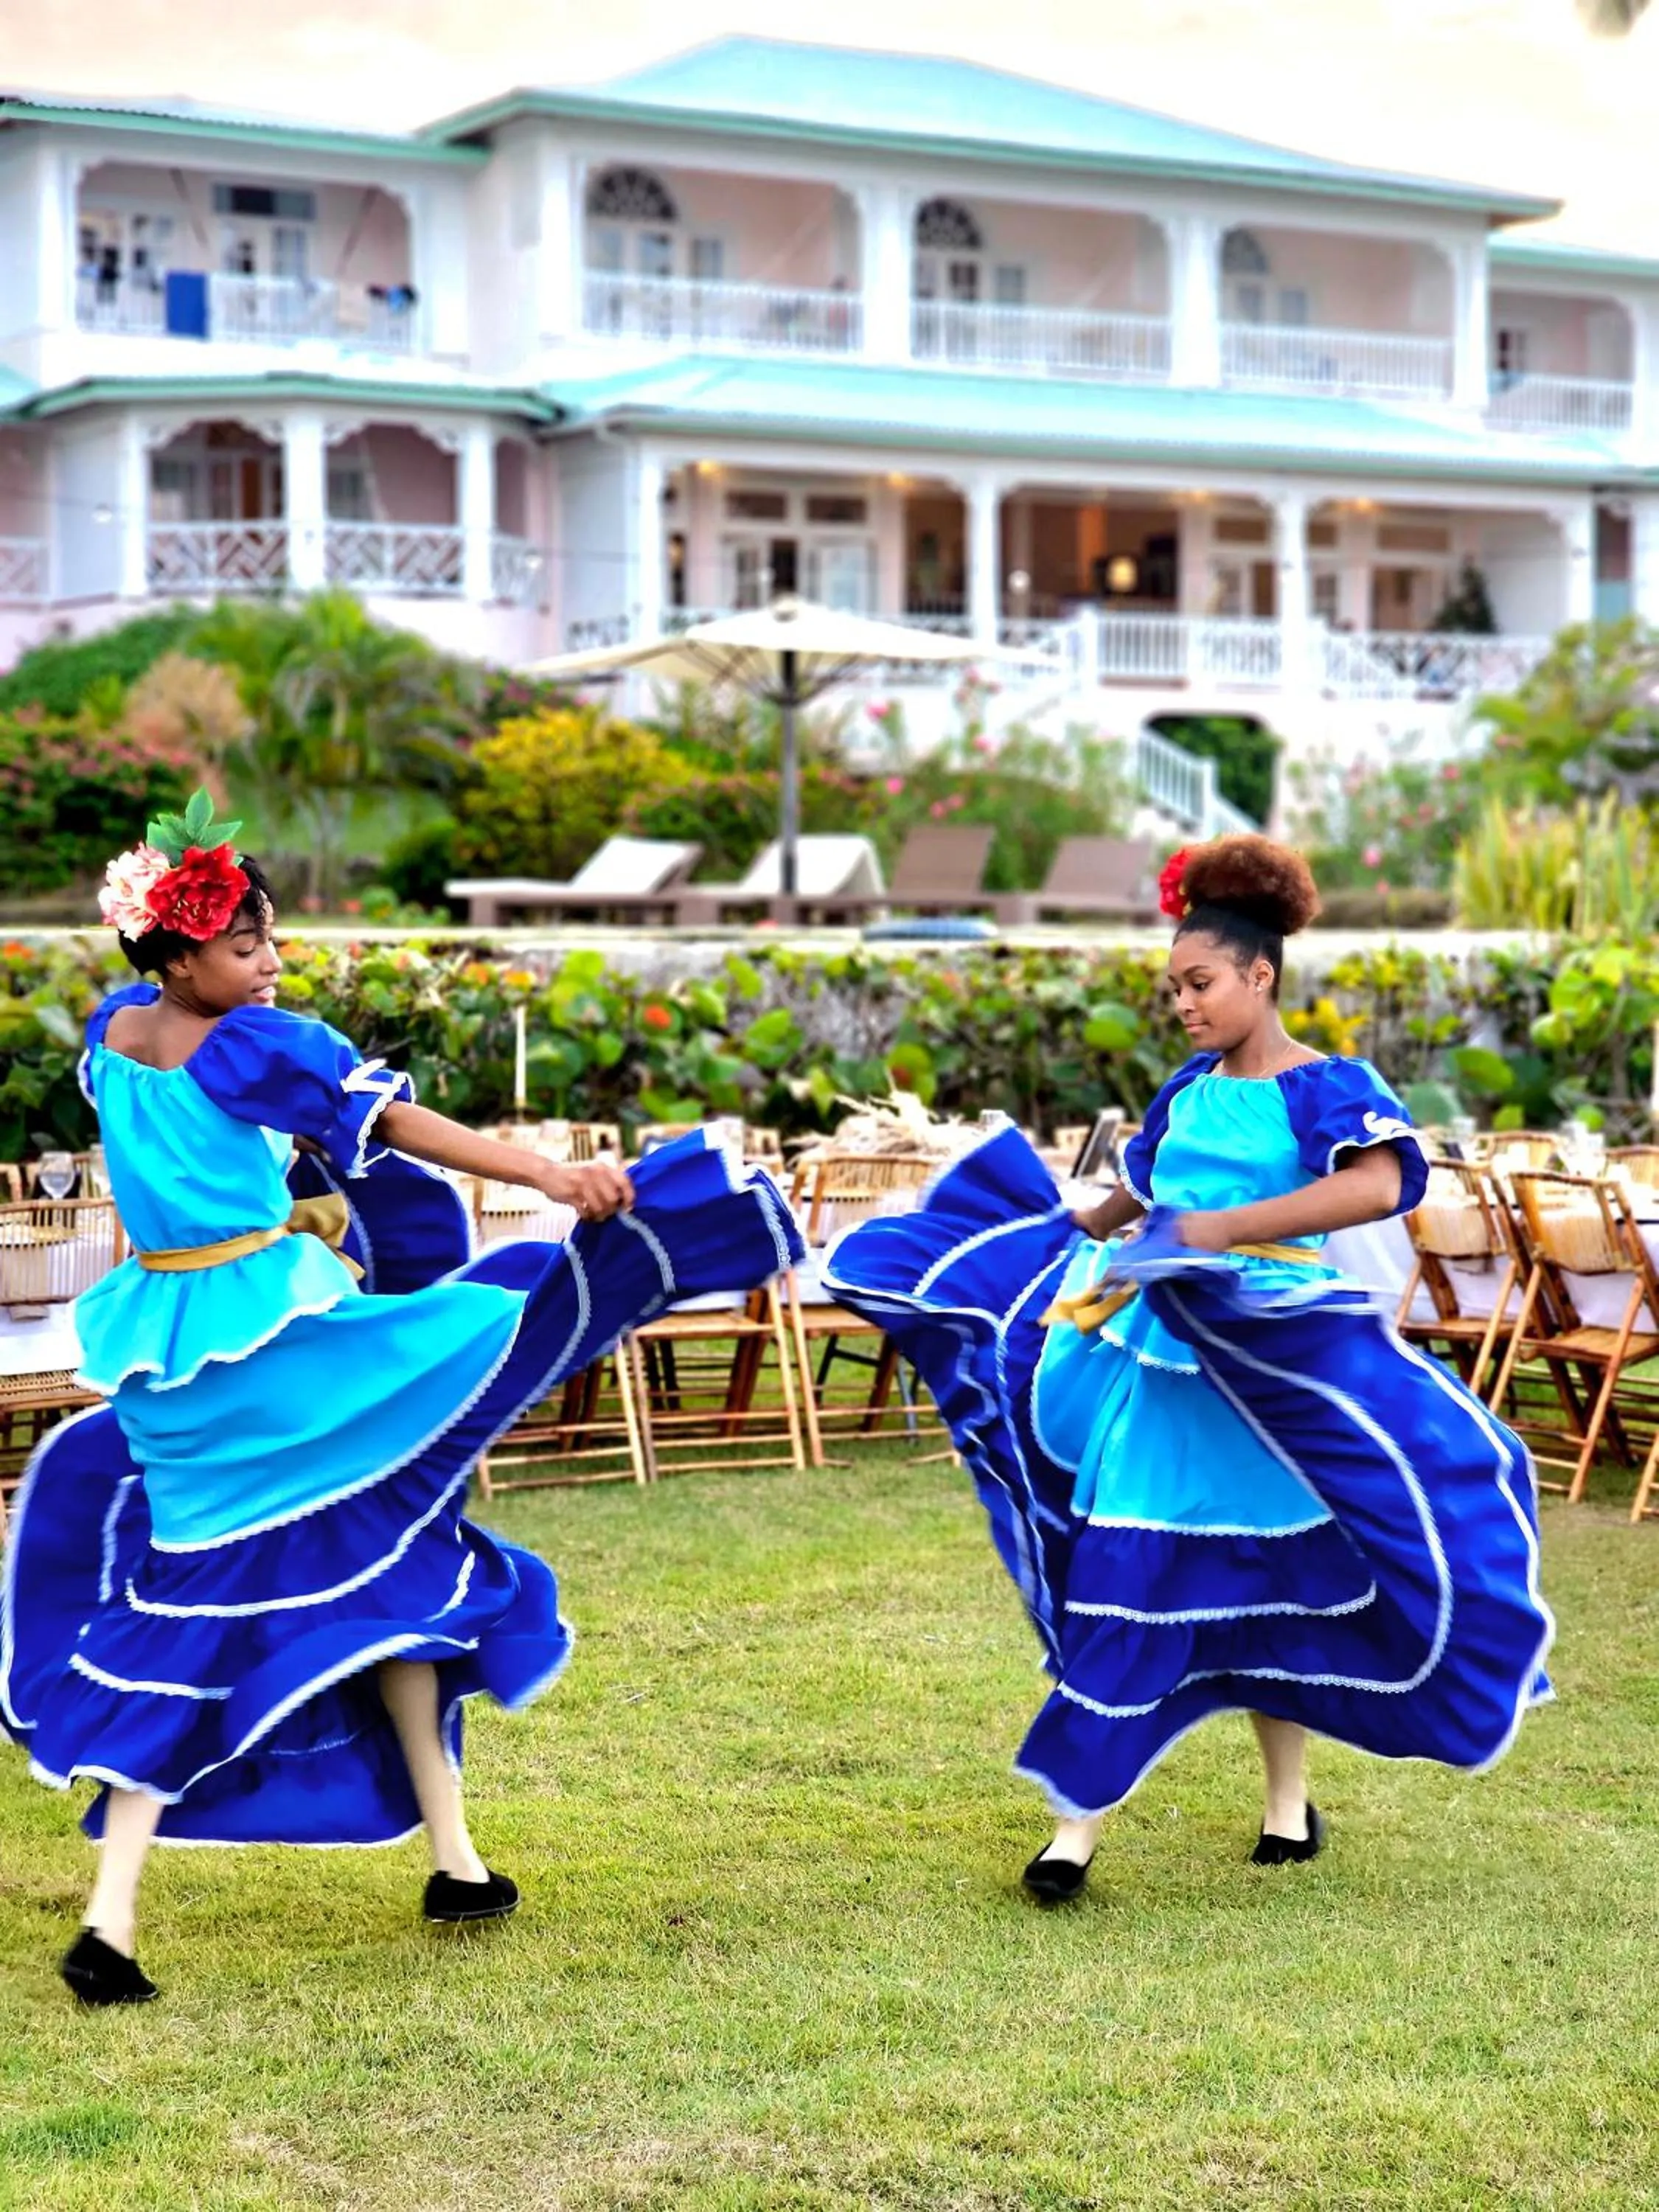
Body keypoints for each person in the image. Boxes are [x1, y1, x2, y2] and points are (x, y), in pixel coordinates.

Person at [1, 795, 801, 2006]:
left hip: (172, 1361)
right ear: (175, 950)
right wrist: (544, 1169)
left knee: (309, 1588)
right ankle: (166, 1914)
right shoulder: (249, 1046)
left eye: (271, 942)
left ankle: (407, 1870)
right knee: (502, 1323)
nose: (271, 965)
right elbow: (400, 1122)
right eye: (246, 946)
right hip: (277, 1352)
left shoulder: (117, 1033)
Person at [824, 834, 1552, 1900]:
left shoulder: (1325, 1089)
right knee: (1129, 1571)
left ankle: (1285, 1810)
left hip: (1267, 1367)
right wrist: (1068, 1225)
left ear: (1259, 976)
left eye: (1199, 983)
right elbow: (1133, 1190)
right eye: (1173, 988)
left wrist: (1222, 1228)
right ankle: (1073, 1831)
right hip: (1157, 1358)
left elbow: (1386, 1182)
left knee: (1276, 1587)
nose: (1183, 1003)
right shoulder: (1186, 1089)